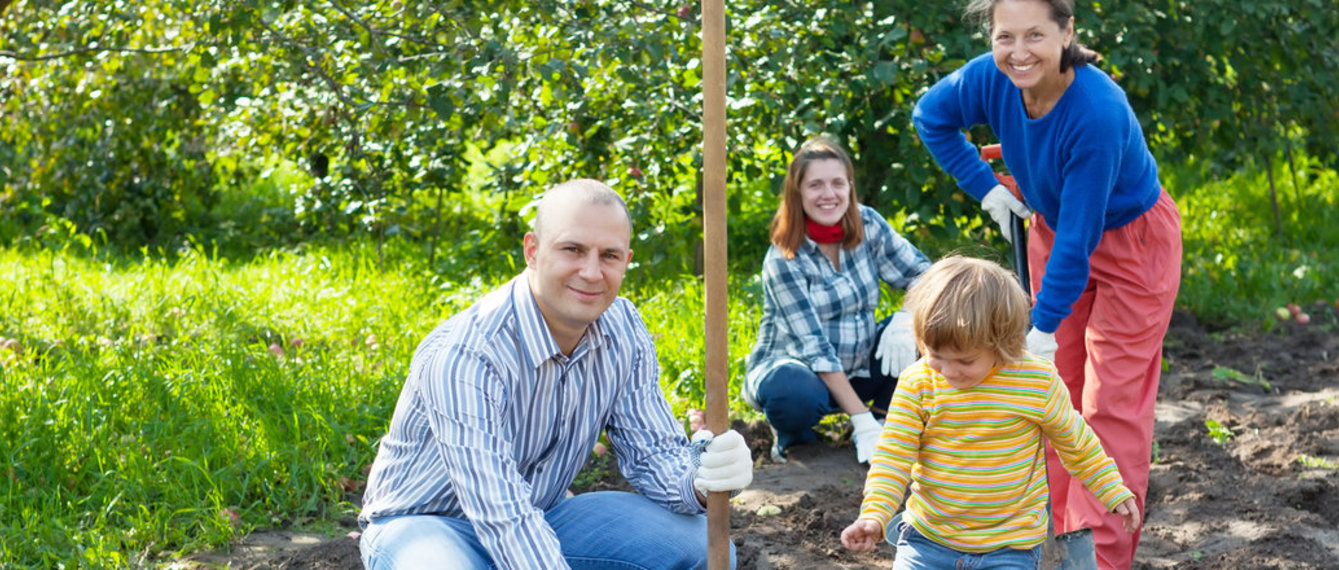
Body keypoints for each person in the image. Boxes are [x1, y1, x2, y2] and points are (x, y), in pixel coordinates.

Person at [357, 179, 753, 569]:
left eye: (609, 256)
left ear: (626, 261)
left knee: (704, 547)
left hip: (543, 516)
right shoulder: (468, 353)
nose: (592, 272)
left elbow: (653, 455)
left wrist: (701, 482)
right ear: (532, 250)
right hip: (427, 529)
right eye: (573, 250)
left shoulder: (623, 329)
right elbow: (500, 511)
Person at [910, 0, 1182, 566]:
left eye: (1035, 35)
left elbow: (1079, 241)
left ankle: (1102, 557)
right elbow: (929, 117)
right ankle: (1043, 542)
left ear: (1066, 33)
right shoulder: (992, 78)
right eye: (1005, 36)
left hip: (1132, 242)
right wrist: (984, 186)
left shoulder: (1097, 111)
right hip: (1053, 230)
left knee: (1109, 406)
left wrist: (1041, 329)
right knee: (1048, 396)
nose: (1019, 52)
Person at [841, 256, 1140, 569]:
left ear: (1003, 344)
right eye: (935, 356)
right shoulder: (919, 383)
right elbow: (893, 457)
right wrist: (874, 514)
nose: (949, 372)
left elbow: (1076, 443)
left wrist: (1111, 489)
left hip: (1010, 546)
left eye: (966, 361)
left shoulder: (1035, 381)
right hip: (928, 541)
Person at [744, 136, 932, 464]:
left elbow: (927, 276)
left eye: (837, 183)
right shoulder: (783, 257)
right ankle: (796, 441)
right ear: (798, 192)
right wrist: (860, 421)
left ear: (850, 186)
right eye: (816, 185)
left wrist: (906, 318)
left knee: (926, 327)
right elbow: (814, 348)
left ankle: (889, 420)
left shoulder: (868, 223)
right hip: (801, 373)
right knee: (793, 393)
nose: (828, 195)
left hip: (859, 365)